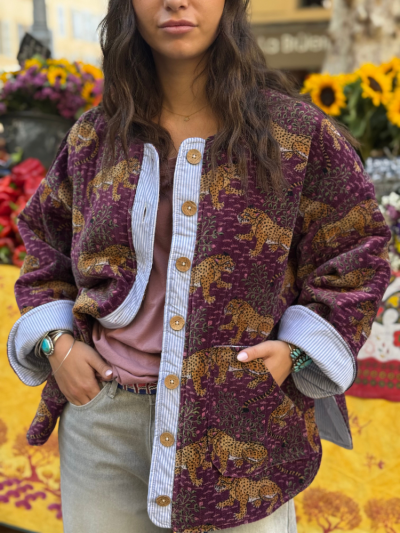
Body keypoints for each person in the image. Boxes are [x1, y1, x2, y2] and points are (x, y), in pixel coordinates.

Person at [7, 0, 392, 532]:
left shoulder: (294, 135)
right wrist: (57, 345)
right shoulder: (95, 138)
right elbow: (45, 246)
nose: (176, 1)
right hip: (104, 425)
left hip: (240, 424)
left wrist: (298, 351)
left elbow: (357, 248)